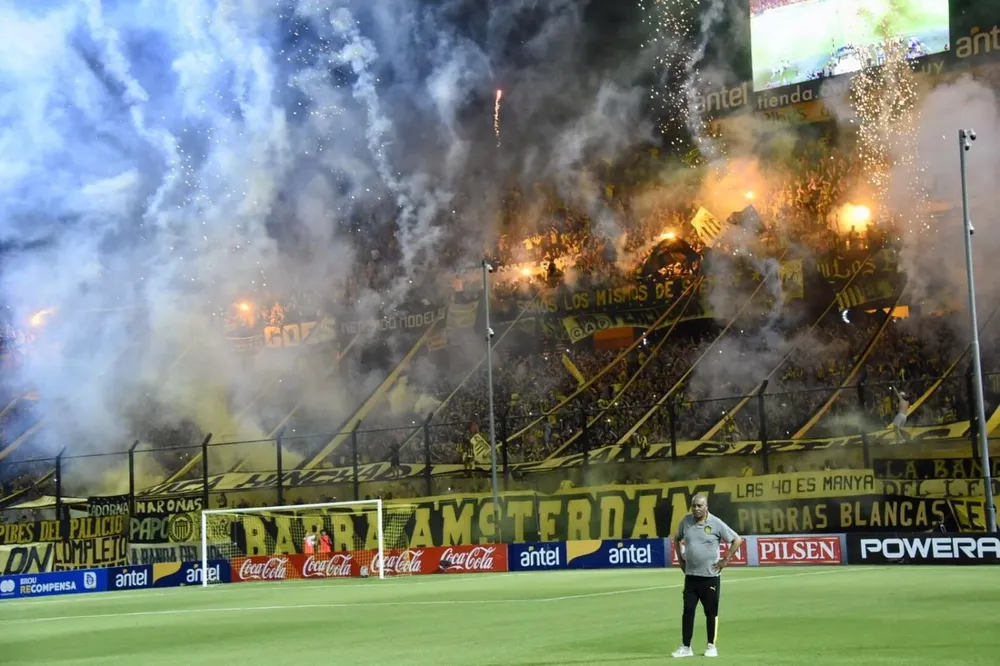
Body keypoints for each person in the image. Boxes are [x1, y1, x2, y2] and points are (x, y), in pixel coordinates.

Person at [672, 494, 744, 659]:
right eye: (693, 506)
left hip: (710, 577)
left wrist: (725, 560)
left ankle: (711, 645)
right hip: (691, 576)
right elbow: (676, 539)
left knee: (711, 612)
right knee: (688, 611)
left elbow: (737, 540)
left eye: (699, 506)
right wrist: (680, 560)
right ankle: (686, 647)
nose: (696, 509)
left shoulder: (716, 523)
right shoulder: (686, 521)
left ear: (706, 507)